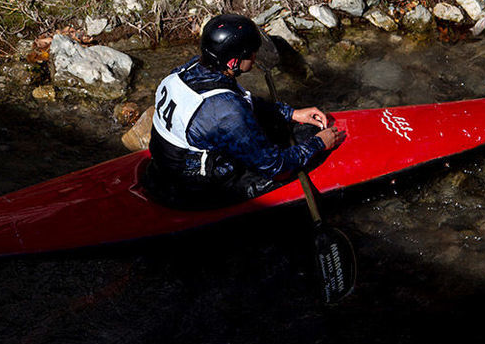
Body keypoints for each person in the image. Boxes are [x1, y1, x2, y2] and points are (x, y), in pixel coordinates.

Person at [145, 13, 346, 209]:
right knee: (304, 144)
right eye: (251, 53)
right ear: (233, 62)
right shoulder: (228, 111)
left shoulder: (187, 71)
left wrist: (290, 113)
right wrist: (318, 143)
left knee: (278, 132)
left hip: (163, 169)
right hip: (195, 190)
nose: (255, 56)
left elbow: (240, 101)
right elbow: (276, 168)